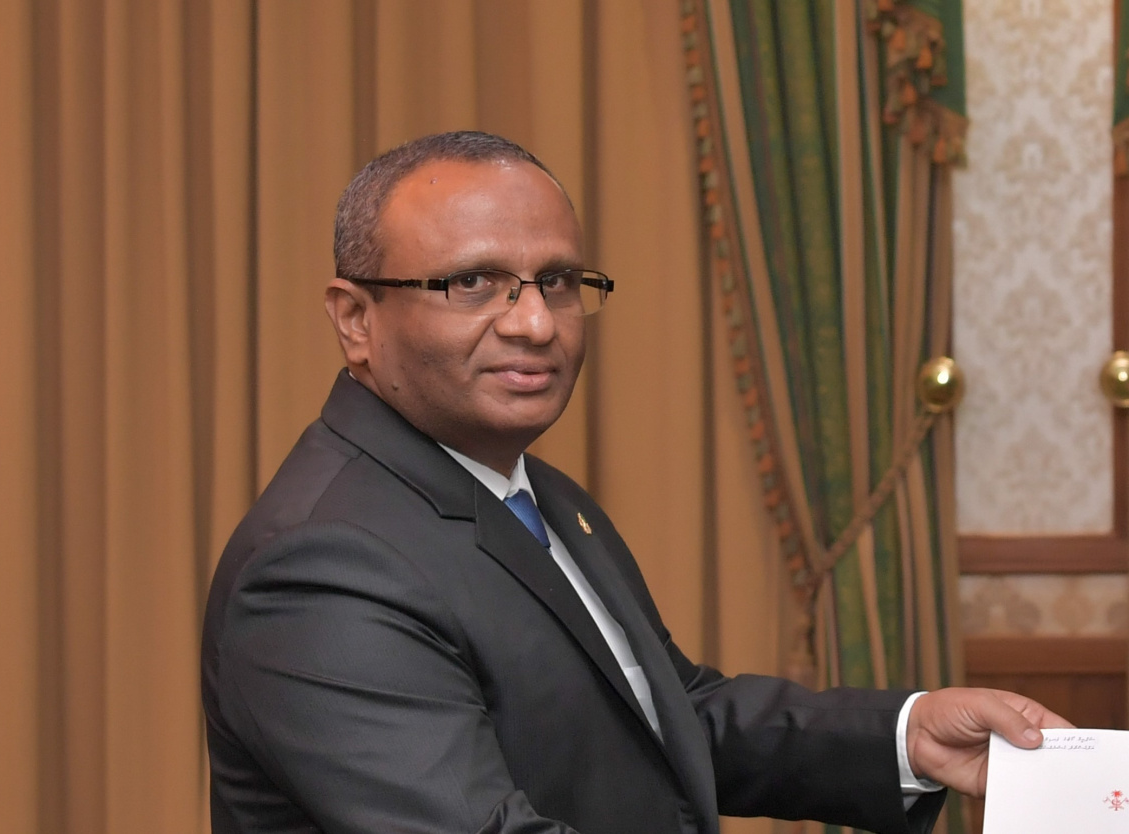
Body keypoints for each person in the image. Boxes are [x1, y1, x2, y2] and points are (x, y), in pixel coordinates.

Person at [201, 130, 1068, 834]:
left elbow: (666, 716)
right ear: (356, 318)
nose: (535, 323)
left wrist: (906, 739)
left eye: (556, 282)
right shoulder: (320, 567)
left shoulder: (536, 494)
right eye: (473, 283)